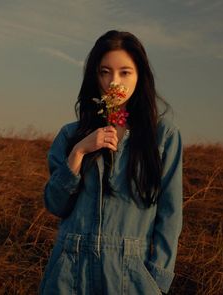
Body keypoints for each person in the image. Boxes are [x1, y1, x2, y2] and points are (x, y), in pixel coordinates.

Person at [39, 30, 183, 295]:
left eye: (125, 72)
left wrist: (157, 279)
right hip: (69, 273)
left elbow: (170, 214)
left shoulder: (163, 136)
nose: (113, 82)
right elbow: (55, 205)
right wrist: (79, 153)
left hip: (130, 273)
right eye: (105, 72)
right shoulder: (71, 135)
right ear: (95, 76)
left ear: (140, 77)